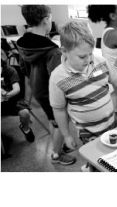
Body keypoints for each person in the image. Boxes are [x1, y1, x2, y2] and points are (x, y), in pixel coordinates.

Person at [49, 20, 117, 171]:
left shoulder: (100, 62)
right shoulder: (58, 78)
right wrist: (66, 135)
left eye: (90, 54)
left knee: (114, 157)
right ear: (64, 51)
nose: (88, 59)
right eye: (82, 57)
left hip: (111, 123)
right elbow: (58, 110)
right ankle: (91, 168)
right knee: (98, 160)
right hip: (88, 132)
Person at [16, 5, 76, 165]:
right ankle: (56, 155)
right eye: (50, 17)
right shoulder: (52, 51)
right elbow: (59, 79)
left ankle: (59, 145)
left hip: (38, 89)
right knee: (59, 123)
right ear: (46, 20)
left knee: (52, 120)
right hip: (50, 93)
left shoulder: (22, 43)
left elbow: (24, 69)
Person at [87, 4, 117, 124]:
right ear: (113, 16)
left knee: (115, 113)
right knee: (116, 116)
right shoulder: (116, 34)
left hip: (111, 80)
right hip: (116, 82)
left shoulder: (108, 31)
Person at [1, 50, 35, 142]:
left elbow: (17, 89)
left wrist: (6, 95)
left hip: (13, 101)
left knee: (25, 113)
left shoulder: (9, 70)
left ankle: (26, 128)